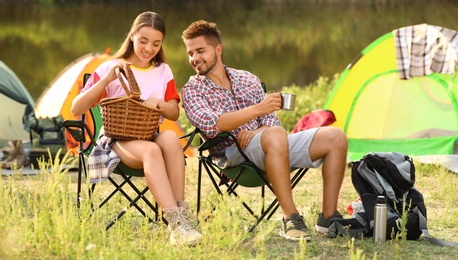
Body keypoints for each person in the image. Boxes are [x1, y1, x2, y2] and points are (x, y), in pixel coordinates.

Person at [181, 20, 348, 241]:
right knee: (275, 135)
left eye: (200, 50)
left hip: (270, 144)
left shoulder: (247, 78)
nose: (194, 58)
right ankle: (291, 219)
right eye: (190, 53)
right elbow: (212, 123)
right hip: (232, 153)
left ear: (218, 49)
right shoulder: (192, 89)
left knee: (335, 137)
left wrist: (257, 131)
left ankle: (328, 218)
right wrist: (256, 112)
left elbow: (271, 121)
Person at [71, 11, 202, 246]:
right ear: (132, 35)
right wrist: (106, 80)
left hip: (149, 134)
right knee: (151, 151)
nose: (148, 48)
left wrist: (159, 104)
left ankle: (182, 216)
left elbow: (173, 112)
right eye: (143, 40)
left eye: (156, 43)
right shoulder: (110, 68)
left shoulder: (163, 71)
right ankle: (175, 222)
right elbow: (76, 108)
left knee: (171, 137)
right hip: (117, 140)